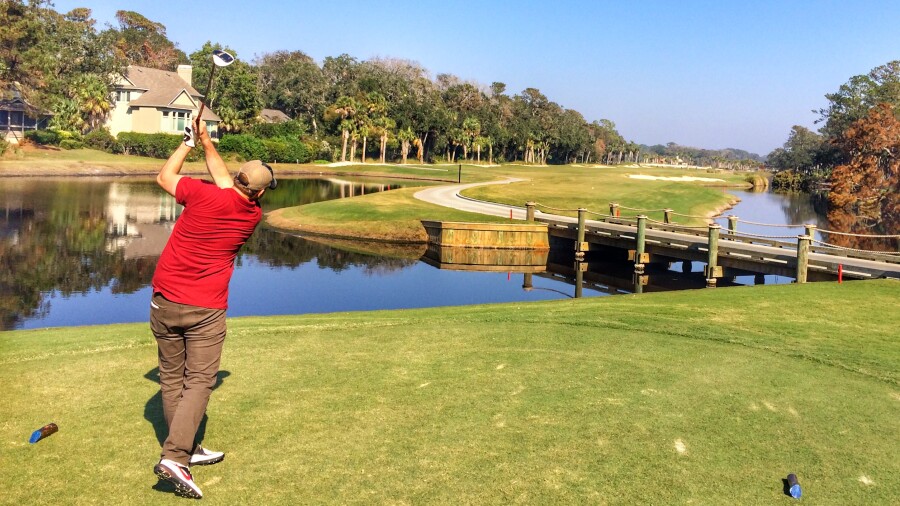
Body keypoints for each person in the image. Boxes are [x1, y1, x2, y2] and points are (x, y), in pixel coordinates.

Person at [150, 117, 276, 499]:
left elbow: (164, 177)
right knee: (200, 381)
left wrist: (190, 144)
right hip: (205, 308)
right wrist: (205, 142)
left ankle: (185, 447)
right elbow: (230, 187)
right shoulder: (251, 215)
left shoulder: (202, 194)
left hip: (163, 300)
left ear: (238, 180)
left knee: (172, 380)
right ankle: (176, 457)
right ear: (259, 193)